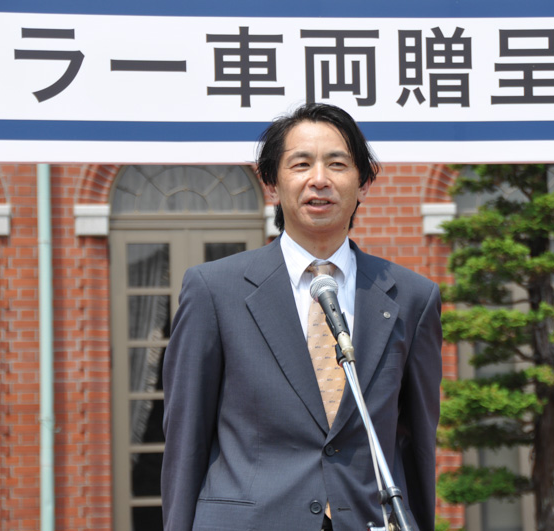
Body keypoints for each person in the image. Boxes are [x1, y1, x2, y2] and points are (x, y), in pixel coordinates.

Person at [161, 103, 442, 531]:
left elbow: (417, 443)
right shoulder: (214, 290)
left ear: (363, 183)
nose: (319, 180)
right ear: (271, 183)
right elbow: (185, 443)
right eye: (300, 164)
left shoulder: (412, 297)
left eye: (337, 164)